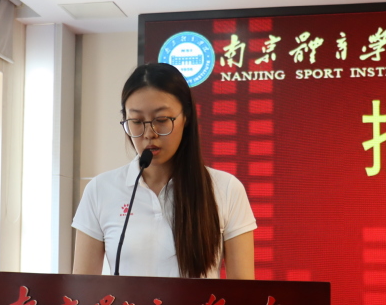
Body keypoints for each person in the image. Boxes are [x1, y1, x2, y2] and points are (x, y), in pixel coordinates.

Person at [72, 62, 256, 279]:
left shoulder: (226, 189)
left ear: (186, 117)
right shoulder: (100, 190)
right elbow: (82, 289)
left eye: (161, 120)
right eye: (136, 121)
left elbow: (243, 291)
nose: (149, 133)